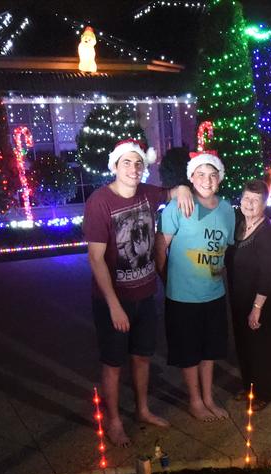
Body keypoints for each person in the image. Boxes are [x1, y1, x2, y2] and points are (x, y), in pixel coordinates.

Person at [83, 138, 194, 447]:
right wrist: (114, 305)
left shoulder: (146, 193)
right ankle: (115, 420)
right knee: (113, 363)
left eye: (138, 163)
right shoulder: (100, 202)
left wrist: (183, 188)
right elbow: (95, 258)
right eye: (126, 163)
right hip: (113, 301)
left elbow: (171, 192)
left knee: (143, 356)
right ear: (115, 166)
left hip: (145, 295)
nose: (133, 168)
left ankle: (143, 410)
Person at [156, 150, 236, 421]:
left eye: (212, 175)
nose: (207, 179)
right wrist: (168, 279)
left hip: (213, 294)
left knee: (210, 350)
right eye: (200, 174)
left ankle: (209, 397)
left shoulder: (227, 210)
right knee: (189, 352)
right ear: (191, 177)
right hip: (182, 297)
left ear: (220, 178)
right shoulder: (177, 206)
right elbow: (161, 247)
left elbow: (226, 248)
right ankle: (195, 401)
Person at [226, 179, 271, 409]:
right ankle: (248, 385)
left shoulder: (266, 233)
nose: (249, 204)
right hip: (239, 299)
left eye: (255, 200)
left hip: (260, 302)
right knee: (244, 345)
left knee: (261, 348)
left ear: (264, 203)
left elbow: (269, 274)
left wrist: (257, 308)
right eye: (246, 198)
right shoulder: (238, 226)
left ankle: (264, 393)